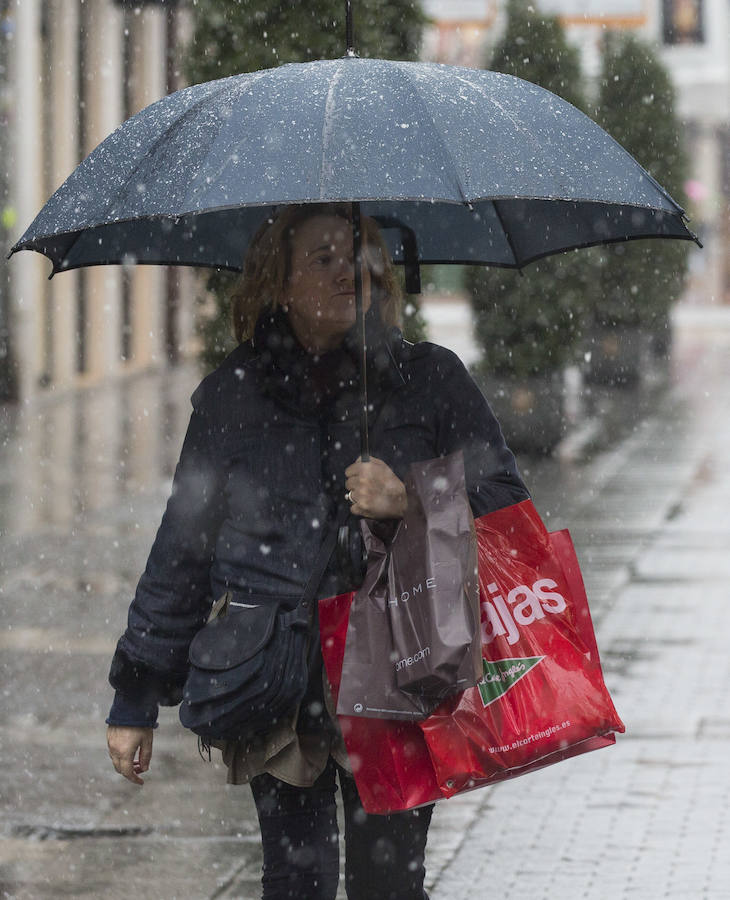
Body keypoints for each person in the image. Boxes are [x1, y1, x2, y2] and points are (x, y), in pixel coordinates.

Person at [106, 203, 530, 899]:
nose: (348, 275)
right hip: (276, 675)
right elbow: (183, 549)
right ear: (279, 282)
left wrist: (412, 501)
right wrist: (135, 695)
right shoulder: (232, 398)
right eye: (324, 259)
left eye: (361, 258)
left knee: (388, 884)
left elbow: (510, 510)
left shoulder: (430, 379)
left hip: (402, 667)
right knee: (294, 882)